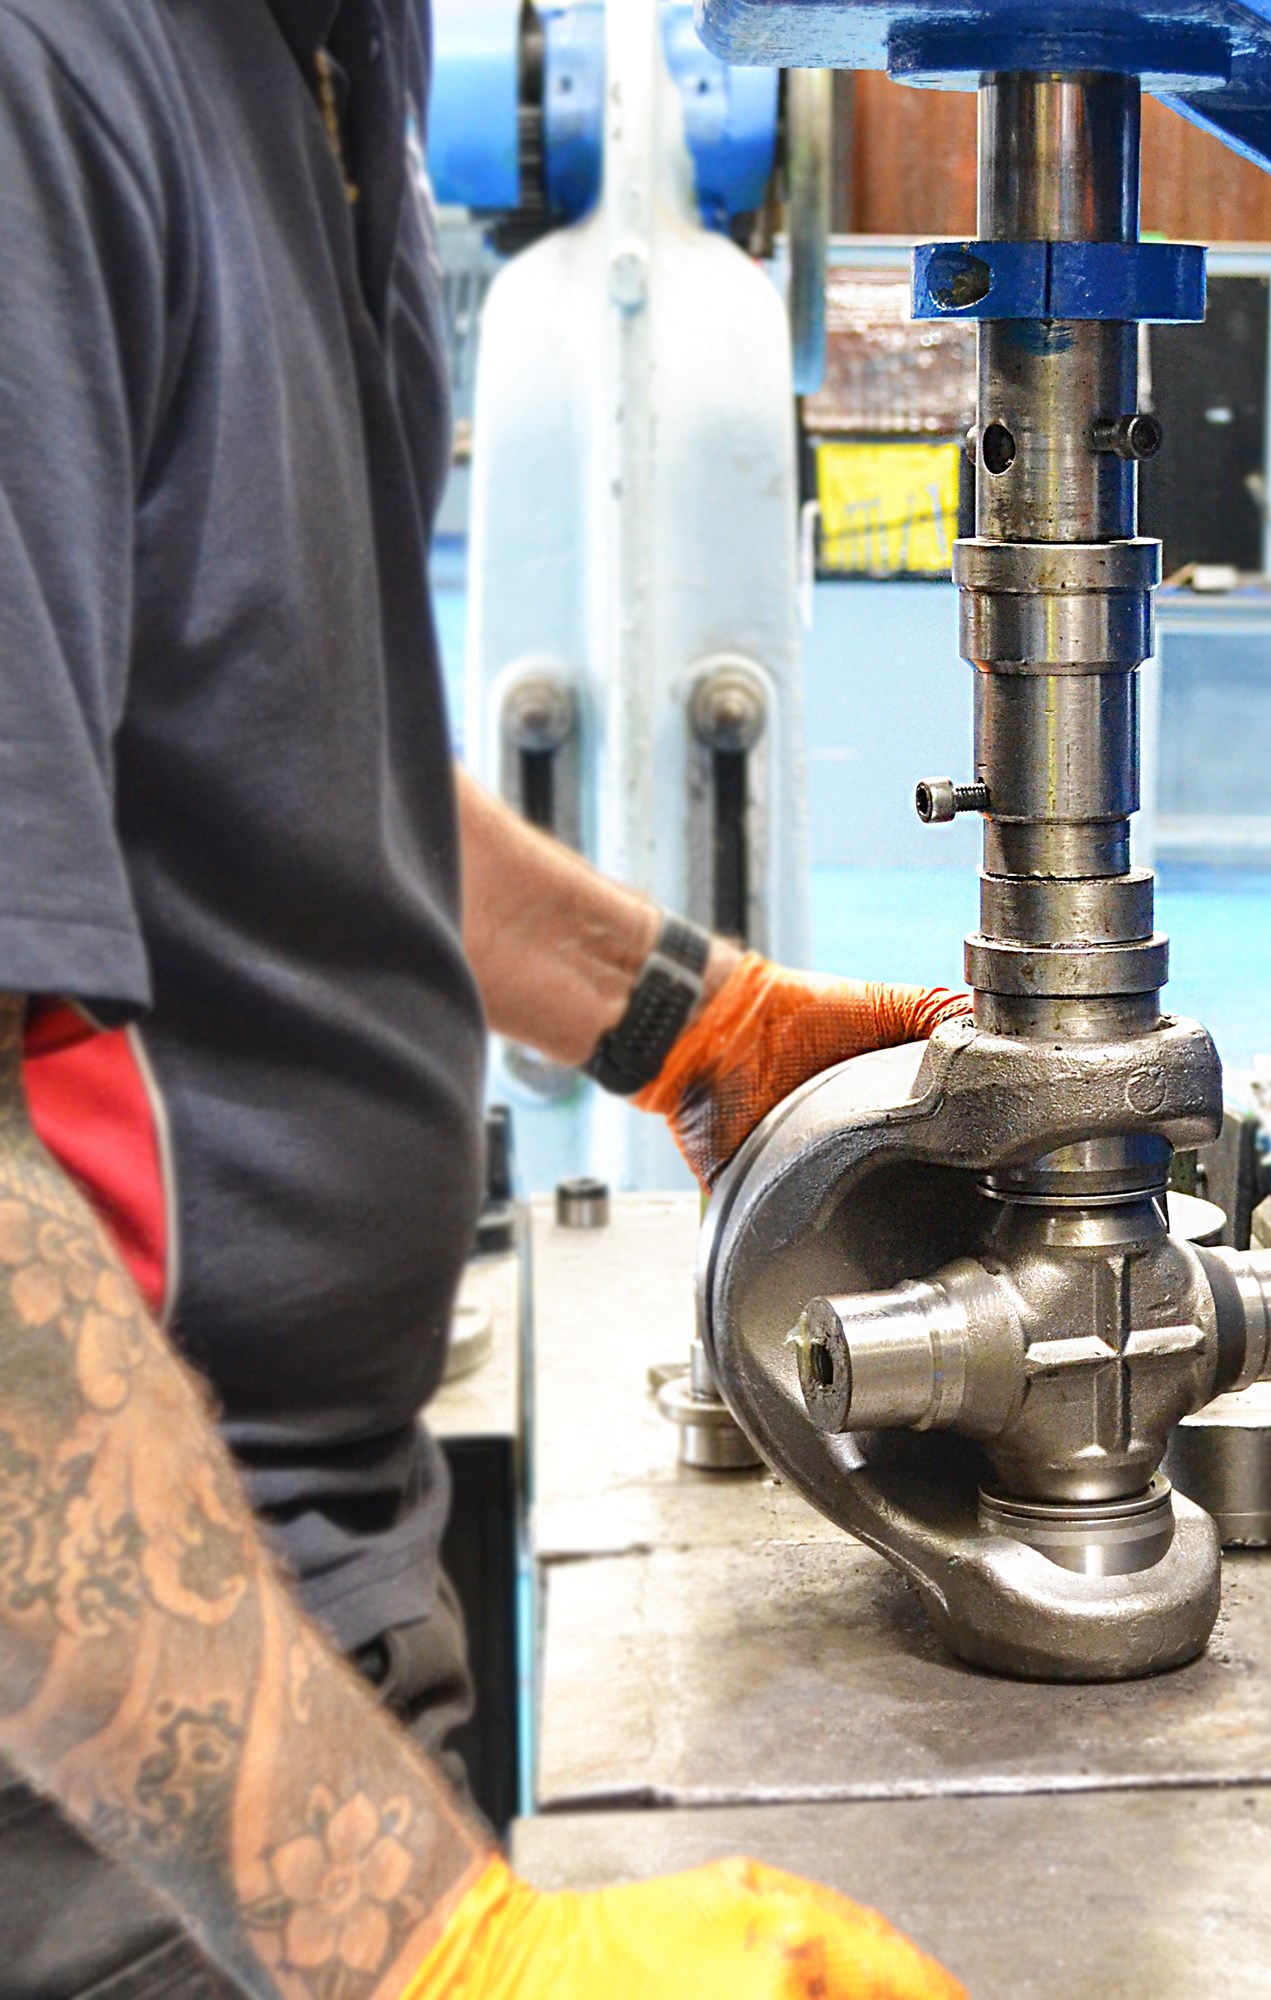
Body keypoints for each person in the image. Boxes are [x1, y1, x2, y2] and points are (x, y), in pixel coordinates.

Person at [0, 1, 967, 1994]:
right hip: (105, 1769)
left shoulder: (320, 51)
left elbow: (260, 747)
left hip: (293, 1639)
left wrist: (698, 1025)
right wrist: (434, 1950)